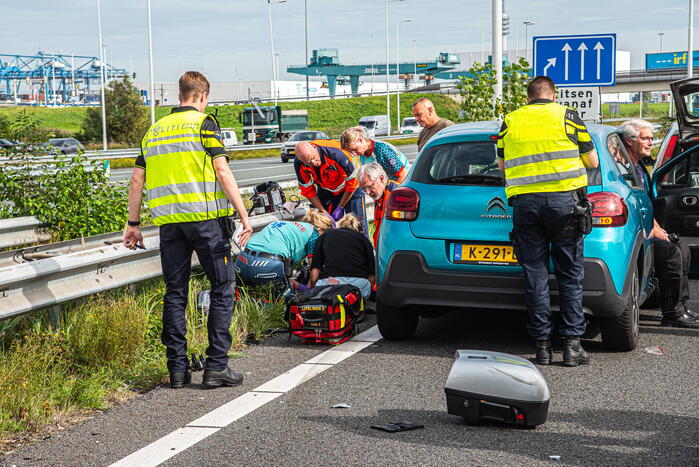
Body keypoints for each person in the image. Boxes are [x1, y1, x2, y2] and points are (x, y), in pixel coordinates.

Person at [124, 71, 252, 389]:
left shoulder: (153, 131)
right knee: (223, 288)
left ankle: (177, 371)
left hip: (170, 225)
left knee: (175, 294)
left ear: (180, 94)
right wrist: (244, 214)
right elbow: (221, 169)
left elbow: (137, 180)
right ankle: (216, 368)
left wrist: (134, 224)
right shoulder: (204, 123)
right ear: (202, 95)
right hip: (207, 222)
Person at [496, 75, 600, 367]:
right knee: (569, 275)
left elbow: (503, 164)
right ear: (553, 95)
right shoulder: (568, 117)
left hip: (525, 205)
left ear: (528, 97)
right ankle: (572, 346)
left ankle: (542, 347)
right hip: (564, 204)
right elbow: (592, 162)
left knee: (535, 275)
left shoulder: (511, 120)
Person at [619, 119, 699, 328]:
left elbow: (645, 201)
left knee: (682, 247)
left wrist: (657, 226)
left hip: (646, 226)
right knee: (671, 253)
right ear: (629, 141)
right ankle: (672, 314)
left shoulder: (638, 168)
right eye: (645, 138)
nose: (650, 142)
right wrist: (652, 229)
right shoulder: (622, 168)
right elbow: (633, 203)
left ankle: (681, 306)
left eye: (651, 138)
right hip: (633, 233)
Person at [234, 209, 333, 290]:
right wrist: (309, 290)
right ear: (321, 229)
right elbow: (314, 272)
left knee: (252, 295)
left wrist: (298, 286)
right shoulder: (315, 234)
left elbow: (286, 276)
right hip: (268, 264)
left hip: (242, 260)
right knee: (286, 303)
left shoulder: (288, 225)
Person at [294, 140, 368, 235]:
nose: (313, 163)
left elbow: (352, 184)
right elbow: (308, 191)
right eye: (308, 163)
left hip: (352, 188)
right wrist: (323, 211)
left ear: (315, 148)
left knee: (358, 225)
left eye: (314, 158)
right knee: (323, 225)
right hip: (326, 189)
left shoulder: (335, 154)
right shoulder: (299, 163)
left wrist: (340, 206)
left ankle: (364, 246)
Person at [308, 213, 375, 299]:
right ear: (358, 229)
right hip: (358, 286)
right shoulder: (363, 239)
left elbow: (314, 275)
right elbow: (372, 276)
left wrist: (313, 290)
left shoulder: (325, 235)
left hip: (330, 283)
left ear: (340, 225)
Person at [340, 126, 411, 184]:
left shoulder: (381, 150)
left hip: (405, 182)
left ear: (360, 140)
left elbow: (403, 174)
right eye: (351, 152)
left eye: (354, 149)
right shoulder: (362, 153)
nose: (354, 154)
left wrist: (390, 194)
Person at [358, 163, 400, 247]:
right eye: (364, 189)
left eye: (370, 186)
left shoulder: (396, 195)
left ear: (381, 178)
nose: (367, 192)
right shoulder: (380, 195)